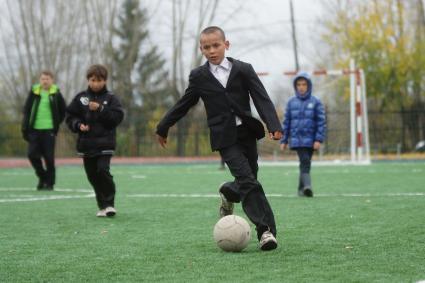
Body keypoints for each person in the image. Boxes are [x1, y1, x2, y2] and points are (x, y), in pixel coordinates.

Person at [156, 26, 282, 251]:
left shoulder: (243, 69)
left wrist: (273, 124)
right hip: (224, 137)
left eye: (216, 45)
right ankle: (266, 231)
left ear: (226, 44)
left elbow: (261, 98)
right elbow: (185, 103)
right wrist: (164, 125)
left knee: (248, 179)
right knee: (248, 180)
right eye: (207, 47)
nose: (212, 50)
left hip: (247, 132)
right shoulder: (199, 76)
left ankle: (228, 191)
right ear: (201, 49)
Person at [65, 65, 124, 217]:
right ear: (88, 80)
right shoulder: (80, 98)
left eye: (99, 81)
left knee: (102, 170)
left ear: (105, 81)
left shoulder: (111, 99)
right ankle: (102, 206)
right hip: (86, 144)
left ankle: (110, 204)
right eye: (93, 80)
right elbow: (70, 116)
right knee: (92, 175)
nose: (96, 84)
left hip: (105, 144)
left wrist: (101, 109)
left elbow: (116, 119)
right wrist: (78, 125)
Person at [280, 72, 326, 197]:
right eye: (299, 84)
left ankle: (301, 189)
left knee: (305, 162)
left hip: (311, 140)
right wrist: (284, 140)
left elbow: (321, 122)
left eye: (304, 84)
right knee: (305, 160)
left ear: (308, 85)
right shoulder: (291, 102)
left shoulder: (316, 102)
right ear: (295, 86)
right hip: (297, 140)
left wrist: (318, 139)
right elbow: (287, 122)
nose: (301, 87)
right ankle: (307, 186)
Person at [22, 70, 66, 191]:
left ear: (52, 80)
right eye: (42, 79)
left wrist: (56, 123)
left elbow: (63, 110)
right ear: (39, 80)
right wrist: (25, 127)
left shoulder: (56, 93)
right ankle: (43, 177)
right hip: (34, 130)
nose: (45, 81)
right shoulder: (34, 92)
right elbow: (26, 110)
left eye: (47, 79)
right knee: (32, 155)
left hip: (49, 131)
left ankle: (50, 183)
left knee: (49, 158)